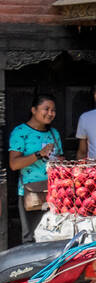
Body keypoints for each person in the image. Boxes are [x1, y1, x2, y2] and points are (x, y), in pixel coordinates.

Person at [9, 94, 62, 242]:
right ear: (33, 110)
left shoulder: (54, 133)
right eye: (46, 109)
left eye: (53, 110)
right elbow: (14, 164)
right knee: (31, 237)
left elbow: (60, 158)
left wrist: (59, 160)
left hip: (55, 192)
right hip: (31, 192)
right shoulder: (20, 132)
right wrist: (39, 154)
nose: (50, 113)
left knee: (55, 235)